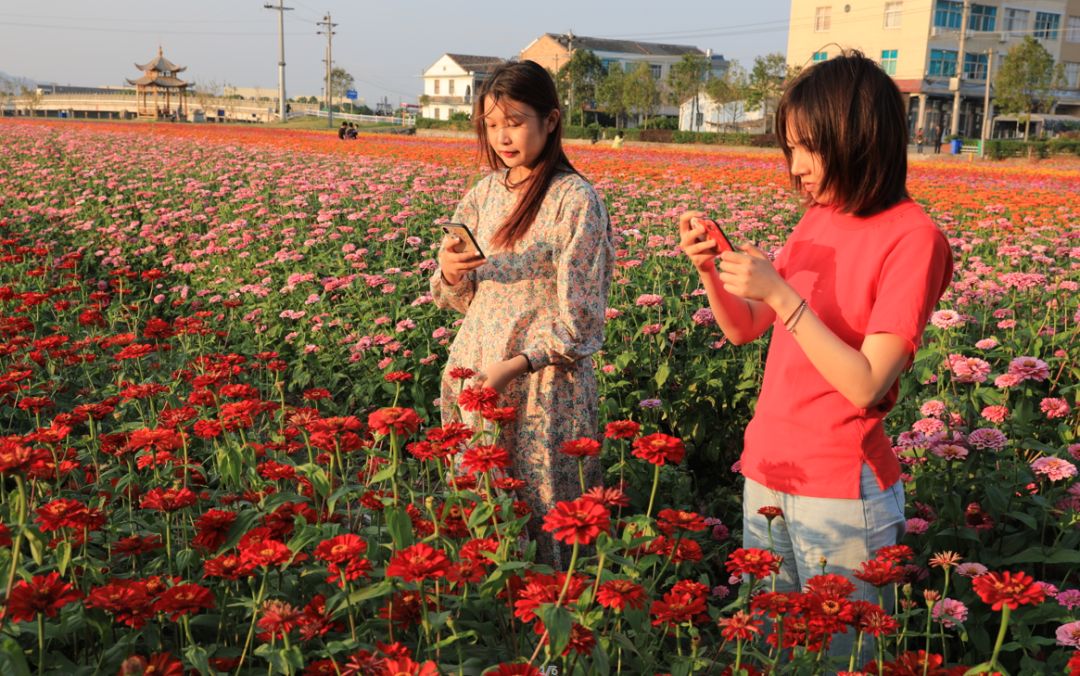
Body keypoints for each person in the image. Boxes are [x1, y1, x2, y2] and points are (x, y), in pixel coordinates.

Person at [678, 51, 952, 665]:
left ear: (857, 139)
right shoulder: (817, 219)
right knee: (773, 653)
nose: (794, 167)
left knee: (842, 658)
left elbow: (868, 382)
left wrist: (780, 290)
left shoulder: (914, 238)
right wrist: (711, 273)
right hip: (770, 463)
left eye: (808, 147)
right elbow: (748, 329)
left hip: (840, 482)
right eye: (789, 148)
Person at [431, 60, 614, 567]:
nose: (501, 137)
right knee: (481, 511)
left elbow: (583, 320)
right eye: (491, 124)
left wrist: (517, 364)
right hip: (478, 368)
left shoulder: (574, 200)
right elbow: (460, 299)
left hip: (542, 385)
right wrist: (449, 271)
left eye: (513, 121)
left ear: (550, 120)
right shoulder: (484, 193)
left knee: (546, 509)